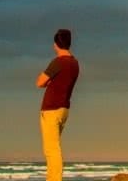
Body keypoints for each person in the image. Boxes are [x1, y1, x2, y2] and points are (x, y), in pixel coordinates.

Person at [36, 28, 80, 181]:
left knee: (51, 150)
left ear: (56, 44)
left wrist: (49, 81)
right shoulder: (75, 63)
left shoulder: (58, 62)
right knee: (53, 147)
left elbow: (40, 82)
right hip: (63, 109)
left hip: (51, 109)